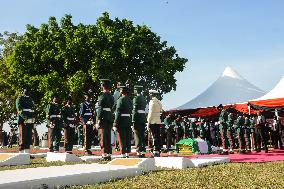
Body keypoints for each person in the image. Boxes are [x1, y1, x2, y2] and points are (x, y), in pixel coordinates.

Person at [96, 79, 114, 160]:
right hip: (109, 117)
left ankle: (104, 153)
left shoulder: (102, 95)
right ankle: (109, 153)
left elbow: (100, 108)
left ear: (102, 86)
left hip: (103, 117)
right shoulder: (111, 96)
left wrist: (99, 119)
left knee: (102, 136)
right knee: (108, 136)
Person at [113, 86, 133, 158]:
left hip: (121, 120)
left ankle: (123, 153)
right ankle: (127, 152)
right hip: (128, 120)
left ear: (121, 92)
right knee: (128, 137)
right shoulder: (130, 100)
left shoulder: (120, 100)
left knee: (122, 137)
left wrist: (115, 122)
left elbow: (118, 111)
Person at [16, 87, 35, 153]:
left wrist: (32, 119)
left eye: (29, 90)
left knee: (28, 137)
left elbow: (32, 110)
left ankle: (26, 154)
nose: (28, 91)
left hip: (30, 121)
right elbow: (19, 110)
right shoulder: (20, 98)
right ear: (23, 90)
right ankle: (21, 153)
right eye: (26, 90)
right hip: (23, 120)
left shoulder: (30, 99)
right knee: (23, 137)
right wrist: (26, 118)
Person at [132, 85, 147, 157]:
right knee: (142, 135)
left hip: (137, 118)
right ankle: (143, 150)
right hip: (143, 118)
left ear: (136, 90)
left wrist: (133, 120)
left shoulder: (136, 98)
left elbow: (134, 110)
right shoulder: (144, 98)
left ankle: (139, 150)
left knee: (137, 135)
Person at [147, 90, 163, 157]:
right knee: (157, 136)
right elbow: (161, 111)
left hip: (153, 121)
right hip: (158, 121)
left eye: (150, 94)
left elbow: (150, 113)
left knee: (153, 136)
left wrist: (148, 121)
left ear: (152, 95)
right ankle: (158, 150)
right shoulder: (159, 102)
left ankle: (155, 150)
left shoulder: (152, 102)